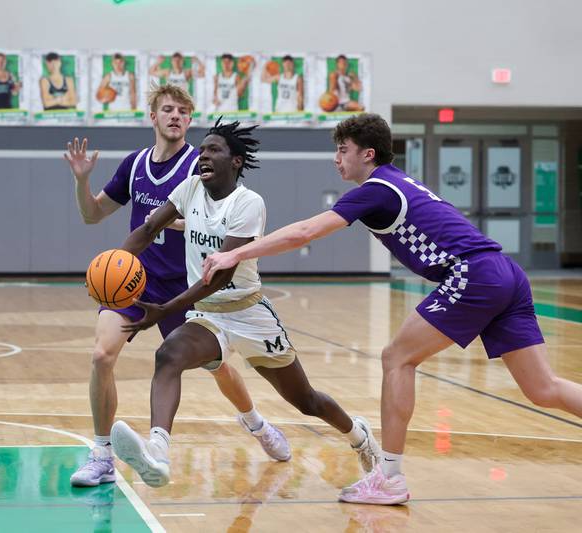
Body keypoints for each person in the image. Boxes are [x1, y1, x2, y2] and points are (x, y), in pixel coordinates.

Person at [202, 113, 582, 504]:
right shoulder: (395, 183)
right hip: (506, 273)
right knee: (543, 388)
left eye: (343, 150)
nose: (337, 158)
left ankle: (390, 478)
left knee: (396, 358)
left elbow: (305, 232)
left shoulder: (377, 187)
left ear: (368, 154)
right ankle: (389, 477)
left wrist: (236, 254)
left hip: (476, 274)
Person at [109, 118, 381, 488]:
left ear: (235, 161)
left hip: (249, 314)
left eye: (214, 150)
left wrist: (166, 308)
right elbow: (147, 229)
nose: (203, 155)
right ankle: (157, 451)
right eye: (202, 149)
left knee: (305, 400)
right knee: (168, 355)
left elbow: (218, 275)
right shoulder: (189, 189)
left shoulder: (248, 203)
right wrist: (111, 264)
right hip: (209, 316)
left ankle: (359, 436)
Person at [64, 86, 289, 487]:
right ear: (152, 116)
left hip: (188, 287)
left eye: (183, 111)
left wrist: (167, 220)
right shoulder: (134, 165)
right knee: (101, 355)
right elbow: (92, 215)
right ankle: (101, 455)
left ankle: (256, 423)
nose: (175, 116)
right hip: (134, 281)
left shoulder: (199, 165)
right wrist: (82, 182)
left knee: (217, 367)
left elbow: (212, 218)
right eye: (167, 109)